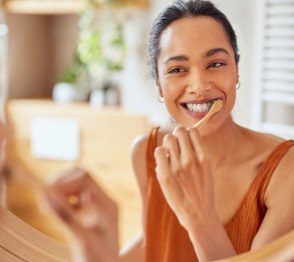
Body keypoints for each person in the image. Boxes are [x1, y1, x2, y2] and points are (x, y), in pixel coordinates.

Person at [45, 0, 294, 261]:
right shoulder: (147, 151)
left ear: (237, 70)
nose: (198, 86)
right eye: (177, 70)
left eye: (216, 64)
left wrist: (200, 217)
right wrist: (98, 248)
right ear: (159, 86)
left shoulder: (285, 169)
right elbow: (153, 240)